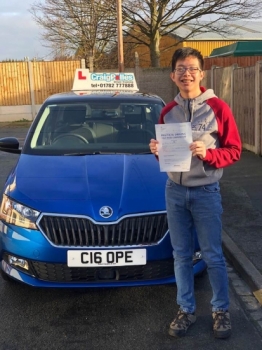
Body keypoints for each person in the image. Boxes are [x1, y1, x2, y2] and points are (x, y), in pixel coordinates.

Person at [149, 47, 241, 339]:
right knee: (181, 256)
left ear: (201, 74)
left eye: (192, 69)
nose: (186, 74)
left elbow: (234, 150)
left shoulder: (218, 108)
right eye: (180, 69)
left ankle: (221, 310)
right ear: (172, 75)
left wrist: (210, 154)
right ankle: (186, 309)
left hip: (205, 192)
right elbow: (169, 159)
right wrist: (157, 152)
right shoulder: (167, 112)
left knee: (213, 255)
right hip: (174, 192)